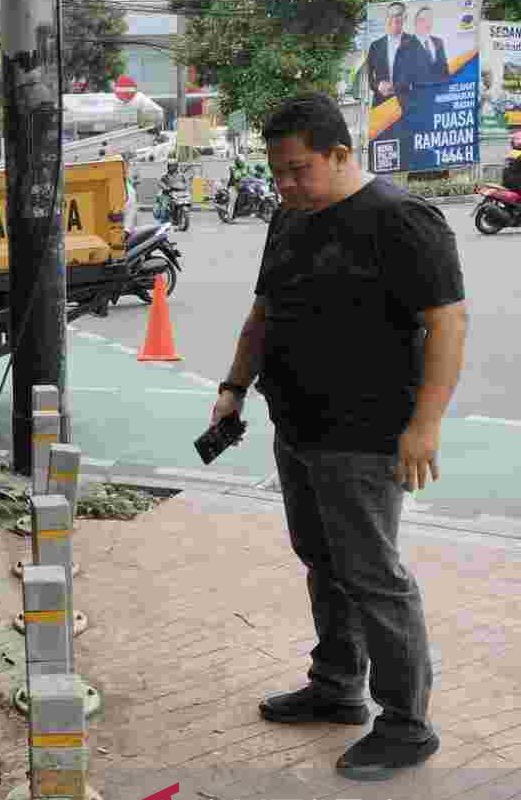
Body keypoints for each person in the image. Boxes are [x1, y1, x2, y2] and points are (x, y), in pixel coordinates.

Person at [211, 93, 466, 781]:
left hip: (366, 434)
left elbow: (447, 323)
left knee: (373, 577)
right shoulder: (289, 219)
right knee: (322, 561)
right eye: (277, 171)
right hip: (296, 425)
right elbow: (264, 312)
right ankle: (337, 686)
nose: (286, 184)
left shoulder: (401, 220)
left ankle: (408, 725)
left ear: (341, 154)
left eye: (298, 169)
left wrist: (426, 425)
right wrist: (234, 388)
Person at [367, 2, 424, 108]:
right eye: (390, 15)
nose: (394, 18)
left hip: (407, 105)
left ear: (405, 17)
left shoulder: (415, 43)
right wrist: (378, 86)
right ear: (387, 17)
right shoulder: (375, 46)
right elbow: (370, 77)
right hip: (381, 105)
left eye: (398, 14)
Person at [412, 6, 449, 85]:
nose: (428, 23)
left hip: (440, 91)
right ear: (416, 22)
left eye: (430, 19)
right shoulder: (407, 45)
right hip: (419, 93)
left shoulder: (439, 42)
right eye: (424, 19)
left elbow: (445, 69)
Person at [226, 154, 252, 218]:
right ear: (237, 161)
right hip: (233, 186)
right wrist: (243, 176)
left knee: (250, 193)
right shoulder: (233, 167)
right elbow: (236, 176)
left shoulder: (245, 167)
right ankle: (229, 216)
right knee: (233, 200)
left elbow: (250, 174)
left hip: (243, 185)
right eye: (240, 162)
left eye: (243, 162)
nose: (242, 163)